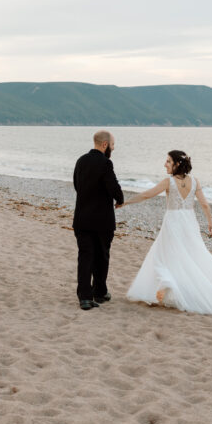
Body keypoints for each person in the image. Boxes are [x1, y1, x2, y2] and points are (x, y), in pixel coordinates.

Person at [118, 150, 212, 314]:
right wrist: (210, 223)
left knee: (167, 256)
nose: (165, 164)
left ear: (177, 164)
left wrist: (125, 203)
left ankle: (170, 287)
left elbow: (147, 195)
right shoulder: (195, 181)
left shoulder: (168, 181)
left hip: (173, 222)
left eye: (168, 161)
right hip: (189, 222)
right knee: (191, 255)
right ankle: (174, 289)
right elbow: (204, 204)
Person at [72, 130, 125, 310]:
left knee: (85, 257)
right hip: (101, 220)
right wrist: (120, 199)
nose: (113, 148)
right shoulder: (105, 163)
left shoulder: (80, 160)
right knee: (102, 257)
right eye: (112, 145)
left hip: (82, 218)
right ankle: (100, 293)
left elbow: (76, 185)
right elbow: (114, 188)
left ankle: (85, 297)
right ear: (105, 144)